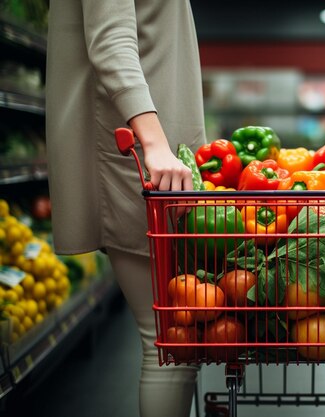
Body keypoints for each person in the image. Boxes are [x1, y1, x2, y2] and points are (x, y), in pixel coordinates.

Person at [45, 1, 205, 416]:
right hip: (139, 151)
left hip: (158, 151)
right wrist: (153, 144)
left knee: (175, 339)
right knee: (169, 339)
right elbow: (110, 40)